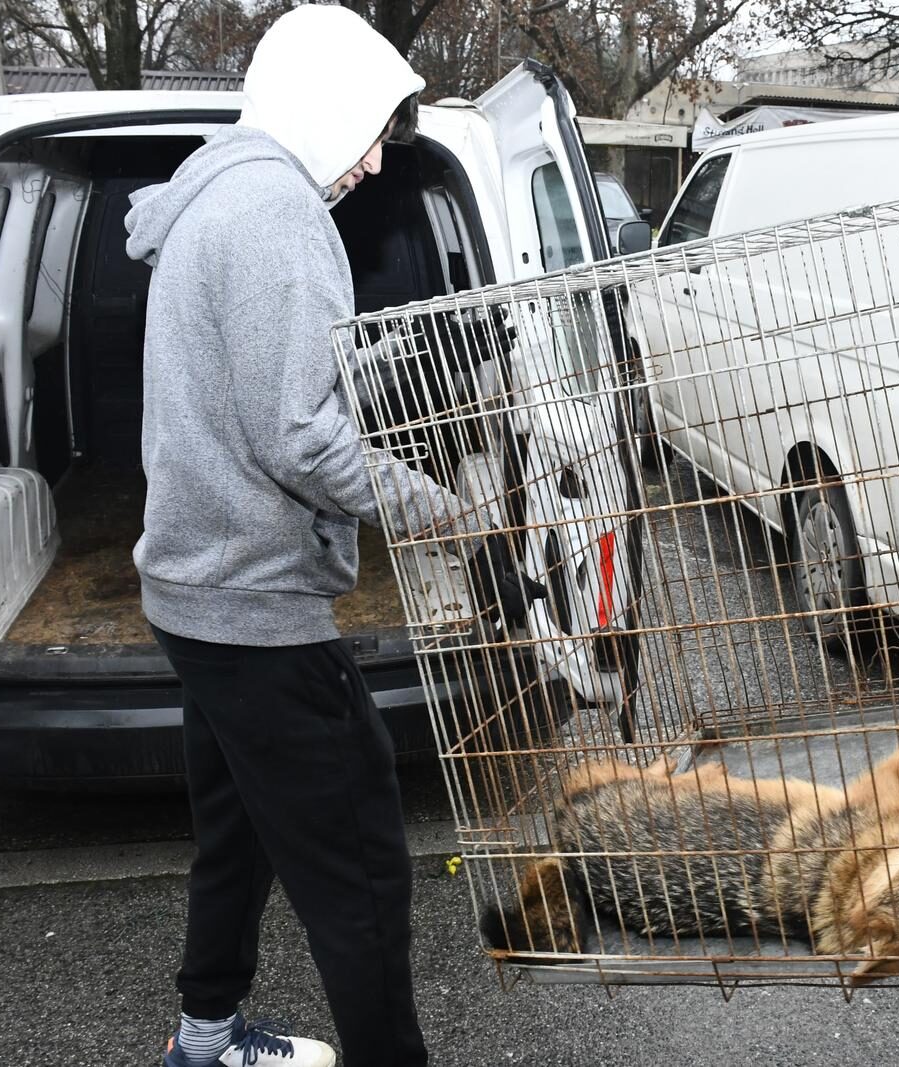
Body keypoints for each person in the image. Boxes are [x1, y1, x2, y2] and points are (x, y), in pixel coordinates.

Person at [124, 7, 537, 1065]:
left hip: (193, 592)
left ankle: (204, 1039)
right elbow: (299, 435)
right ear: (320, 103)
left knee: (240, 831)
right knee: (359, 873)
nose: (368, 163)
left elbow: (265, 389)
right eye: (367, 131)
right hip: (256, 606)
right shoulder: (275, 214)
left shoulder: (218, 190)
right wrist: (441, 507)